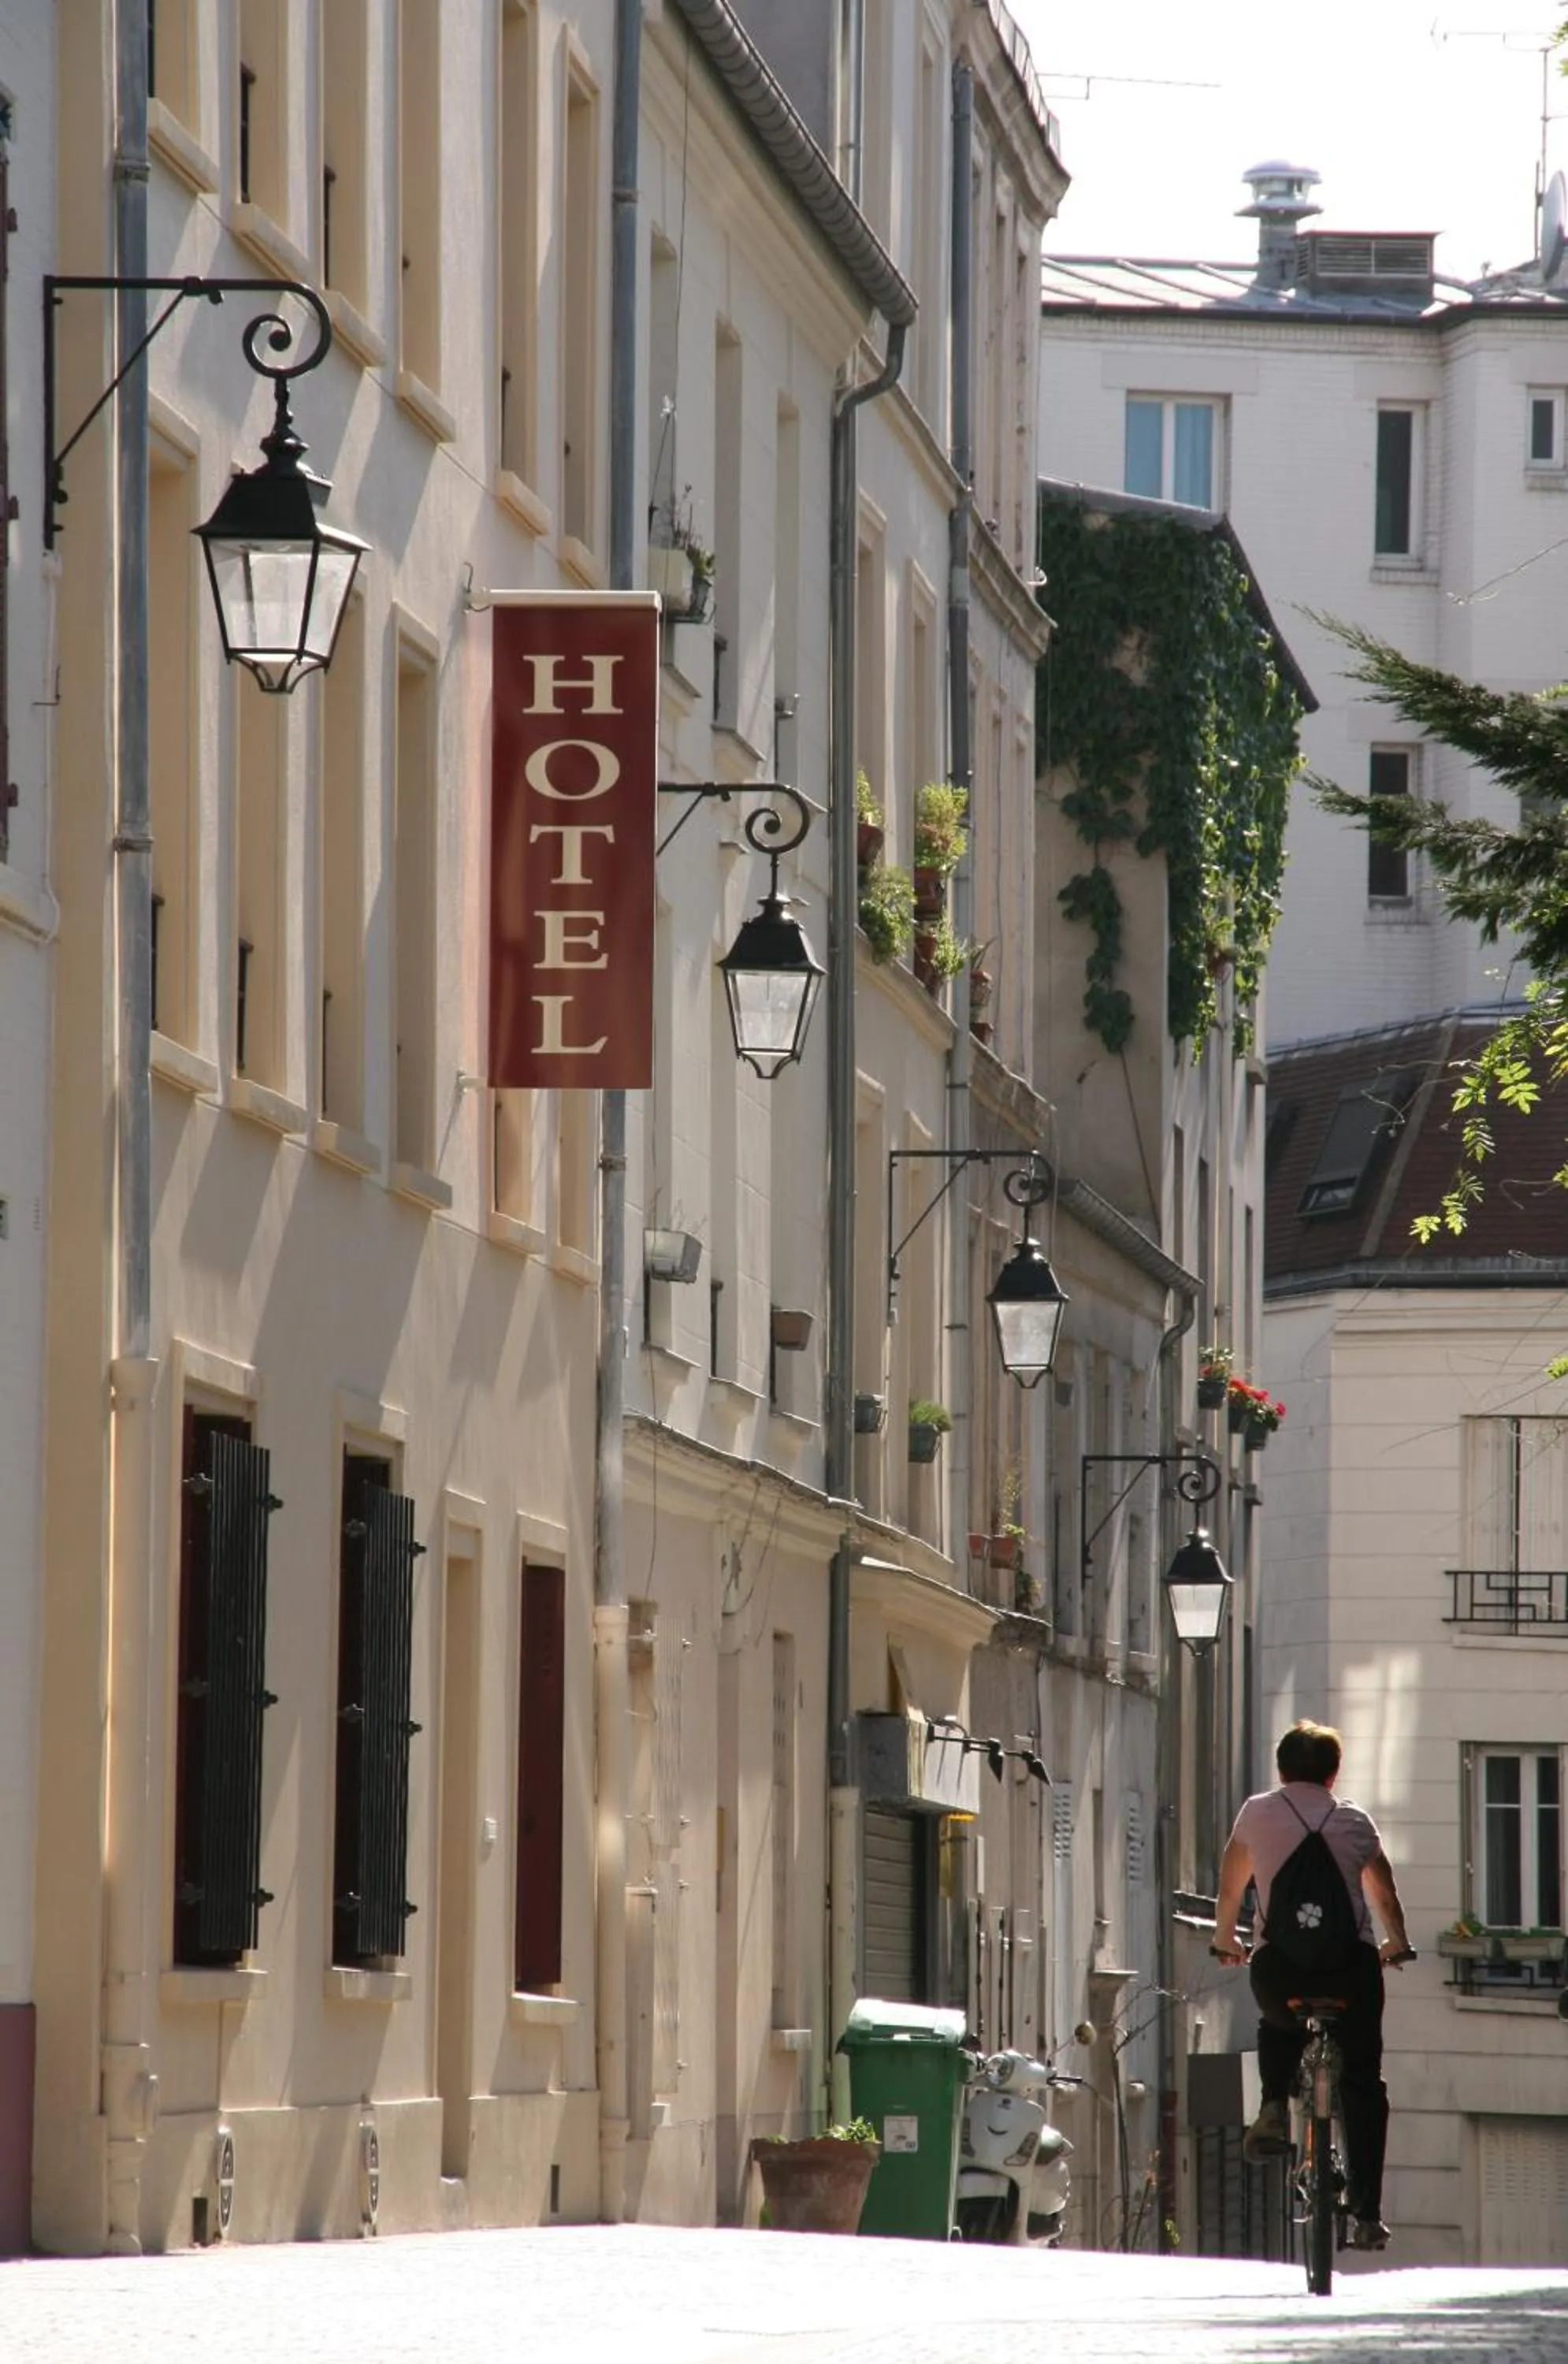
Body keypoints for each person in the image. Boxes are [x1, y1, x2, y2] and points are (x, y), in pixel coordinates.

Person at [1211, 1719, 1411, 2252]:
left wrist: (1225, 1938)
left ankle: (1274, 2103)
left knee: (1277, 2022)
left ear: (1281, 1768)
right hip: (1351, 1968)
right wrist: (1397, 1942)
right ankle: (1367, 2212)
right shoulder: (1355, 1822)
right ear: (1333, 1773)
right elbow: (1384, 1895)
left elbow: (1232, 1884)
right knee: (1365, 2081)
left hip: (1282, 1966)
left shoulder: (1257, 1813)